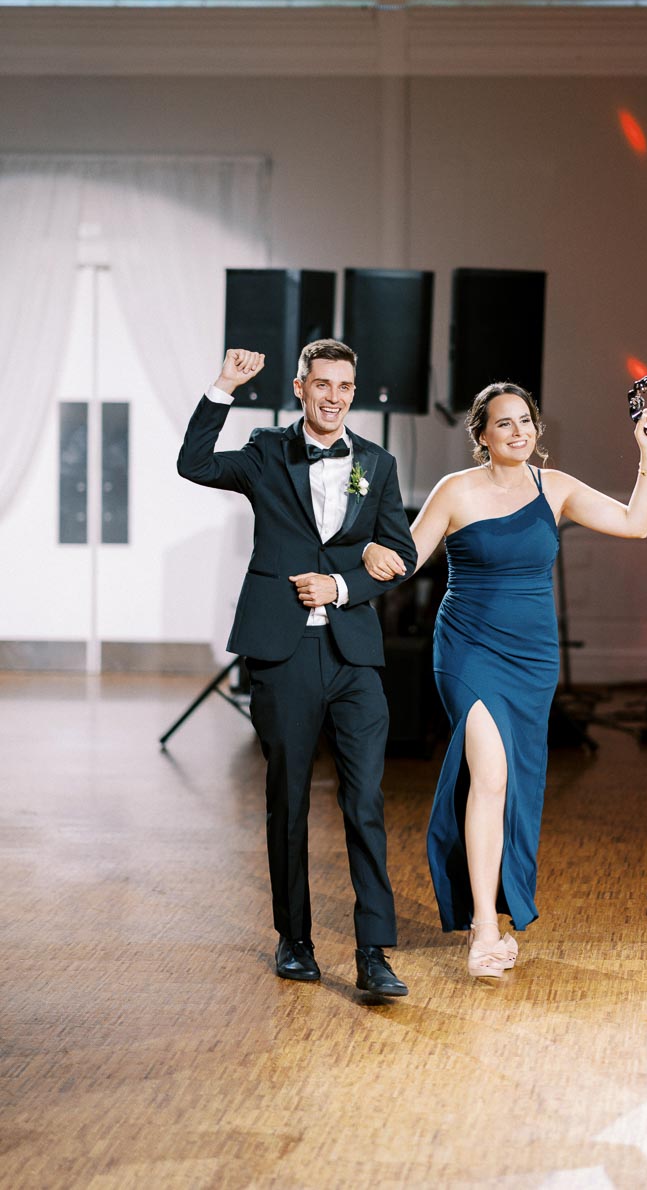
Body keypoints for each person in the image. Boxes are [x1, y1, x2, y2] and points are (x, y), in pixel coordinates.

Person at [363, 382, 647, 979]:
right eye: (503, 424)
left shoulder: (553, 488)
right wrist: (366, 559)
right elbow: (407, 558)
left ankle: (487, 913)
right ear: (482, 435)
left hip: (532, 658)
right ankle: (483, 928)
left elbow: (635, 524)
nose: (517, 432)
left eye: (525, 421)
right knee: (492, 775)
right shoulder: (455, 490)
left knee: (511, 783)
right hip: (468, 649)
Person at [177, 339, 417, 997]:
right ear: (300, 386)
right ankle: (296, 940)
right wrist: (221, 386)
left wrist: (340, 585)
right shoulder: (265, 451)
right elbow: (193, 462)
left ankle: (374, 953)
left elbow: (401, 551)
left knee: (365, 800)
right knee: (286, 800)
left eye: (345, 386)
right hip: (281, 653)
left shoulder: (377, 462)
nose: (335, 397)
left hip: (354, 657)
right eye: (323, 385)